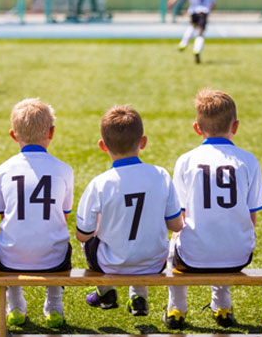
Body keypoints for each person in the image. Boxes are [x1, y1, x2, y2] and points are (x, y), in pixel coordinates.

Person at [165, 88, 262, 329]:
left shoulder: (186, 160)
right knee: (226, 228)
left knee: (173, 245)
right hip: (239, 256)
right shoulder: (248, 160)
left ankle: (176, 309)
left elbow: (178, 217)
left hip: (193, 257)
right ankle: (222, 305)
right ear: (236, 126)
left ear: (197, 128)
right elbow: (251, 218)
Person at [76, 105, 183, 317]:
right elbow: (176, 225)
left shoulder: (100, 183)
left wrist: (98, 228)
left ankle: (105, 292)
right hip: (155, 262)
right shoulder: (160, 175)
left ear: (103, 146)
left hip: (111, 264)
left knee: (90, 234)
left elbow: (82, 234)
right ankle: (138, 297)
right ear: (143, 142)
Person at [0, 98, 74, 328]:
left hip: (11, 258)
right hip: (53, 259)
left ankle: (15, 305)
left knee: (4, 236)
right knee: (60, 239)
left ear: (13, 135)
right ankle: (54, 306)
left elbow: (2, 214)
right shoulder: (63, 169)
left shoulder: (3, 169)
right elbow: (63, 216)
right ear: (52, 132)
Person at [167, 0, 215, 64]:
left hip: (193, 12)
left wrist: (172, 0)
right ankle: (197, 50)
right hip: (203, 13)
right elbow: (213, 4)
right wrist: (210, 9)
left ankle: (183, 43)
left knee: (192, 26)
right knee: (200, 32)